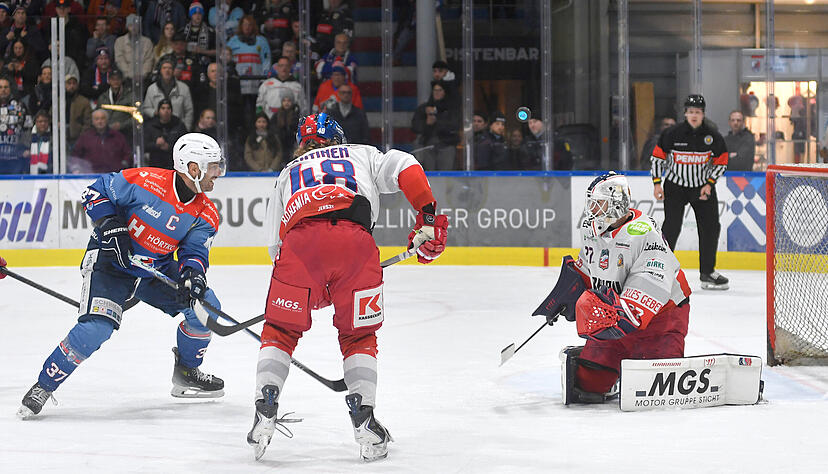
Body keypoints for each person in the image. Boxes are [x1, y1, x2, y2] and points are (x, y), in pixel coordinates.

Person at [249, 112, 449, 462]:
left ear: (302, 143)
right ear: (338, 138)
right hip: (356, 247)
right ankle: (365, 420)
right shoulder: (361, 153)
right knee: (358, 336)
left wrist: (312, 291)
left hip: (299, 248)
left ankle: (264, 405)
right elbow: (407, 165)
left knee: (280, 330)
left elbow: (275, 249)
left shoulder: (286, 174)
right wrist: (427, 218)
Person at [18, 133, 227, 419]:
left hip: (155, 269)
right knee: (96, 329)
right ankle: (44, 385)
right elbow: (95, 191)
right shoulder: (144, 180)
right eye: (213, 166)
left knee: (205, 308)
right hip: (111, 262)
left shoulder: (206, 212)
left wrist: (193, 275)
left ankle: (187, 371)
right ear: (193, 168)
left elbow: (194, 252)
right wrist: (111, 225)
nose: (218, 173)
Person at [537, 171, 691, 405]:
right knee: (587, 385)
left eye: (599, 204)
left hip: (661, 321)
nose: (592, 211)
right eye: (592, 204)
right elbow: (589, 269)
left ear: (617, 204)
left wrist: (598, 313)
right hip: (614, 316)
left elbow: (643, 301)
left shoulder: (645, 234)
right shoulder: (590, 229)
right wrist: (566, 296)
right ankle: (613, 365)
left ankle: (634, 360)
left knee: (655, 393)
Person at [651, 94, 729, 290]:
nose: (694, 115)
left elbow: (722, 160)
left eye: (698, 112)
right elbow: (657, 158)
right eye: (691, 112)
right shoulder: (672, 134)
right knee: (671, 227)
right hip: (675, 187)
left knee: (710, 227)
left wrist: (710, 183)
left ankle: (707, 273)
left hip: (702, 188)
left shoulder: (712, 136)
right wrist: (657, 183)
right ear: (685, 113)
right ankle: (662, 271)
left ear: (703, 114)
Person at [410, 80, 459, 170]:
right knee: (429, 173)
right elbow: (415, 127)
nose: (437, 93)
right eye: (435, 90)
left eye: (440, 90)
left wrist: (437, 120)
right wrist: (427, 123)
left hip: (446, 145)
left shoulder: (451, 108)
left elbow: (455, 125)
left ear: (445, 92)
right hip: (427, 145)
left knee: (445, 174)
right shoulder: (424, 108)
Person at [71, 108, 131, 173]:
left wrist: (123, 166)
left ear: (107, 120)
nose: (100, 121)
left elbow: (127, 153)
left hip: (114, 176)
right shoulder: (85, 137)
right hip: (90, 176)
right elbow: (76, 155)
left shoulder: (117, 136)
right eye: (97, 119)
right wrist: (76, 168)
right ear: (92, 121)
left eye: (102, 118)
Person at [143, 57, 194, 130]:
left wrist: (186, 129)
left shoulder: (184, 88)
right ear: (160, 71)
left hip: (178, 128)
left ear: (173, 71)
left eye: (170, 68)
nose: (167, 70)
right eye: (164, 68)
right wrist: (155, 112)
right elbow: (146, 108)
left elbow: (189, 111)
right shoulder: (152, 88)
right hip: (157, 128)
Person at [144, 98, 188, 168]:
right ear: (158, 111)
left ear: (171, 110)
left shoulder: (179, 125)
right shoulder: (150, 125)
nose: (166, 111)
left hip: (174, 164)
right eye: (163, 108)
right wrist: (156, 144)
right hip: (155, 164)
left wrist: (169, 147)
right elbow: (143, 146)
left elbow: (185, 146)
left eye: (168, 108)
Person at [0, 76, 30, 174]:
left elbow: (28, 128)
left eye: (5, 87)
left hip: (16, 158)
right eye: (0, 87)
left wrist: (25, 148)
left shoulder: (20, 106)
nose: (3, 90)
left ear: (10, 89)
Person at [114, 13, 154, 83]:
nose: (133, 28)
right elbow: (119, 60)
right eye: (131, 25)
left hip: (143, 79)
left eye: (136, 25)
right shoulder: (119, 41)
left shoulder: (147, 42)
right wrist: (130, 75)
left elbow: (149, 60)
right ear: (127, 27)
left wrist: (142, 75)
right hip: (125, 79)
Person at [28, 109, 51, 174]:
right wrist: (24, 153)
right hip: (28, 174)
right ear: (36, 122)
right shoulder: (27, 136)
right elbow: (18, 151)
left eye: (45, 121)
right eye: (40, 121)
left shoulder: (54, 138)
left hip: (49, 174)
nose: (43, 124)